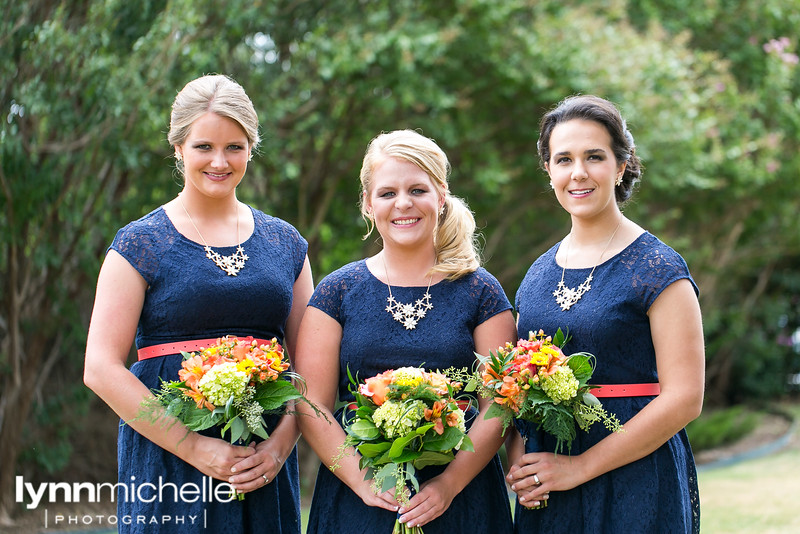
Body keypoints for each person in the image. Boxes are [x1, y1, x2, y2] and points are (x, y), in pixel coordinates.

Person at [83, 74, 313, 534]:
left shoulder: (286, 242)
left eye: (234, 147)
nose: (219, 161)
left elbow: (311, 364)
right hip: (168, 460)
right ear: (178, 149)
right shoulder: (140, 242)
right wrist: (194, 448)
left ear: (251, 148)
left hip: (260, 459)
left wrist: (281, 444)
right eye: (203, 146)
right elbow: (100, 368)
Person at [295, 129, 516, 533]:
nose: (403, 204)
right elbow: (311, 404)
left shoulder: (481, 291)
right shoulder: (337, 291)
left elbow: (498, 405)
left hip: (462, 498)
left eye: (418, 189)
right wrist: (363, 482)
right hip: (358, 497)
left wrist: (449, 484)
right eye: (387, 193)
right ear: (367, 203)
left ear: (441, 196)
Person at [508, 95, 704, 533]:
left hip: (636, 478)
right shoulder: (538, 274)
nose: (578, 172)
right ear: (549, 170)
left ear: (621, 165)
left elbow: (686, 397)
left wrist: (580, 467)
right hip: (550, 483)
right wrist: (521, 459)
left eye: (594, 157)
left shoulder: (658, 268)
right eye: (564, 159)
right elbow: (518, 385)